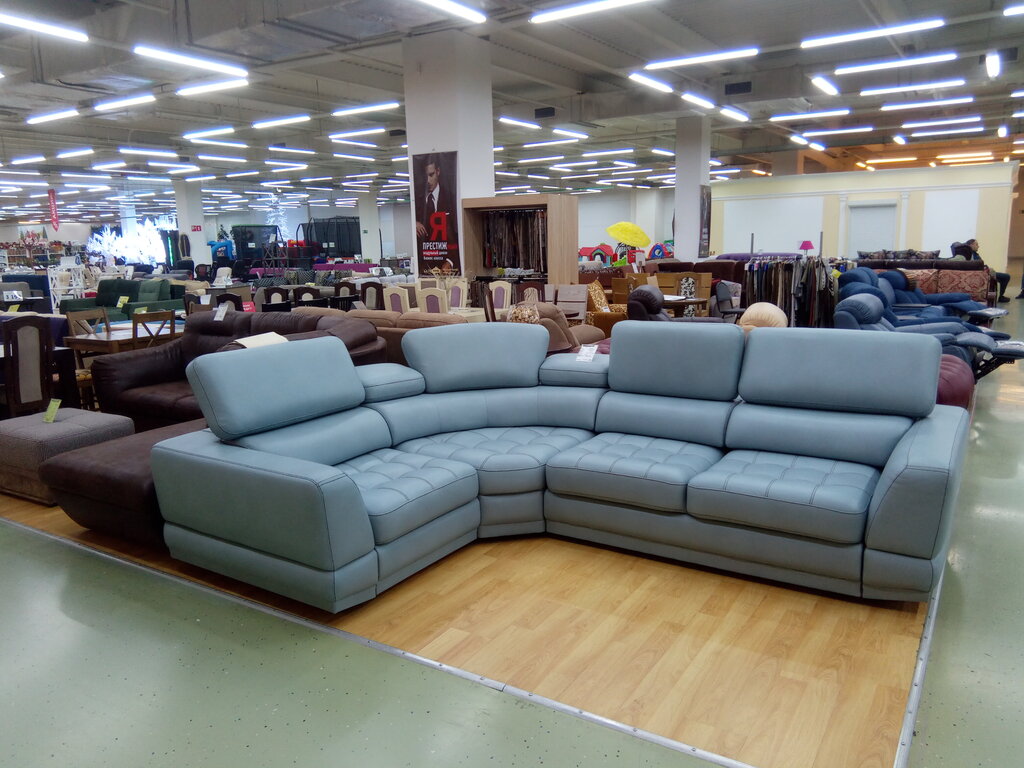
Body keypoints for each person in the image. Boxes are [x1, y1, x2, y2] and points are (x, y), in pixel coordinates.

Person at [415, 154, 455, 241]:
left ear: (438, 171)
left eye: (431, 175)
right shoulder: (416, 200)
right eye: (425, 176)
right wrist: (414, 222)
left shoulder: (450, 198)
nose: (428, 181)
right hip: (424, 247)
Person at [963, 238, 1010, 303]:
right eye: (976, 244)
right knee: (1006, 277)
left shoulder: (973, 254)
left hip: (984, 271)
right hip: (983, 273)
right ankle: (1000, 297)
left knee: (999, 276)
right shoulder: (971, 254)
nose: (978, 246)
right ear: (971, 245)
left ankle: (998, 295)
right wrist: (987, 269)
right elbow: (976, 266)